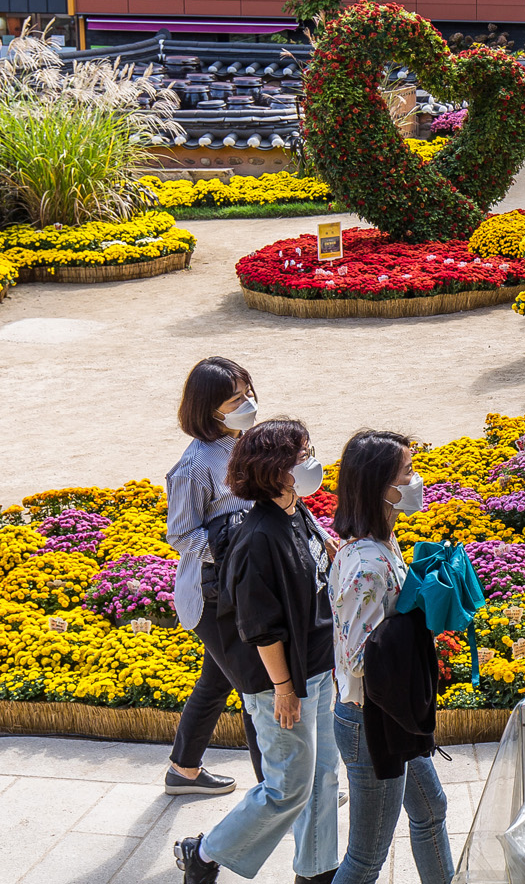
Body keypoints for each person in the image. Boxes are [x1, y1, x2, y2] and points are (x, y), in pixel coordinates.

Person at [178, 419, 342, 884]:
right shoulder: (258, 538)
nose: (312, 462)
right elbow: (261, 627)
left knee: (323, 777)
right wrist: (284, 689)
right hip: (281, 682)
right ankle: (204, 853)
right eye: (302, 455)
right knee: (287, 788)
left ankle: (317, 870)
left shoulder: (296, 511)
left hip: (316, 665)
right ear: (276, 469)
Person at [328, 430, 455, 884]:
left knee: (431, 809)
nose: (416, 480)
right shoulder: (367, 566)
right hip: (371, 721)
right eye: (408, 472)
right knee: (366, 859)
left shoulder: (381, 544)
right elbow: (361, 659)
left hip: (388, 714)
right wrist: (416, 621)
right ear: (381, 486)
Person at [165, 357, 265, 797]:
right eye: (235, 399)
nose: (247, 404)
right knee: (261, 688)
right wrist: (236, 552)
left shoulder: (248, 443)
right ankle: (282, 788)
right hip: (215, 596)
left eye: (247, 393)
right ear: (208, 409)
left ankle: (183, 770)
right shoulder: (195, 466)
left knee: (216, 679)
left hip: (244, 587)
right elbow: (181, 535)